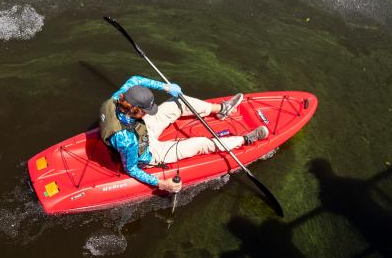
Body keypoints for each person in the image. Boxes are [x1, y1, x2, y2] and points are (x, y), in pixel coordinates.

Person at [99, 75, 269, 193]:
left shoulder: (117, 98)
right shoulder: (126, 140)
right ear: (135, 110)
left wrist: (165, 87)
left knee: (177, 102)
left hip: (138, 128)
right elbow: (132, 169)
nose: (150, 112)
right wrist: (162, 184)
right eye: (146, 111)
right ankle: (245, 139)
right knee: (200, 143)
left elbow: (136, 79)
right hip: (148, 153)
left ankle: (221, 109)